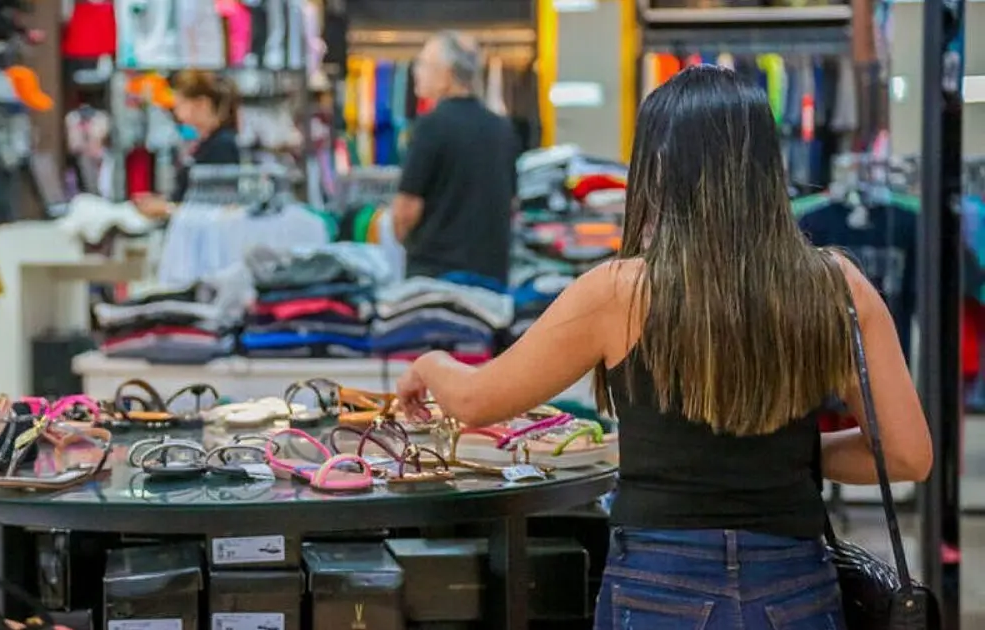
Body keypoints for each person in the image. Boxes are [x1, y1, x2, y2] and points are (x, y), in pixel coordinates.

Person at [395, 65, 932, 628]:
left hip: (660, 585)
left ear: (657, 168)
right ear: (767, 167)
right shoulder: (838, 286)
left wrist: (430, 363)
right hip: (795, 585)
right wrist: (786, 455)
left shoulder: (619, 291)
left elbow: (477, 400)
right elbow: (906, 454)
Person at [391, 31, 518, 287]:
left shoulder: (430, 126)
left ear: (446, 74)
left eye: (423, 64)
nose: (417, 72)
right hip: (491, 277)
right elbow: (512, 202)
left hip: (435, 279)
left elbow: (407, 209)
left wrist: (406, 240)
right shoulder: (501, 128)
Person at [132, 71, 241, 219]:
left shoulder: (222, 145)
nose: (176, 111)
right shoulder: (205, 143)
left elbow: (215, 207)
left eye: (180, 103)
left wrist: (165, 209)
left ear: (201, 104)